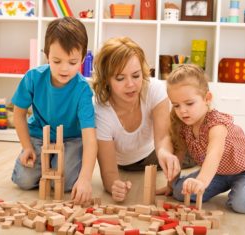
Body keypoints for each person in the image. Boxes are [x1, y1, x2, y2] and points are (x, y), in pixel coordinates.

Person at [11, 17, 97, 204]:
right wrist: (26, 146)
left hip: (72, 139)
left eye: (73, 62)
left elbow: (90, 138)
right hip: (38, 135)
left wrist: (85, 179)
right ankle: (44, 162)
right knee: (24, 180)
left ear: (83, 58)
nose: (64, 68)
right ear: (46, 55)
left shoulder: (83, 90)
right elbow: (18, 114)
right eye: (57, 61)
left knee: (66, 184)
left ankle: (53, 163)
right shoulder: (33, 78)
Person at [92, 37, 177, 202]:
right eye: (120, 78)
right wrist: (114, 185)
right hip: (125, 165)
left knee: (195, 148)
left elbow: (163, 138)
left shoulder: (154, 89)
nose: (131, 84)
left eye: (136, 75)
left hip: (155, 153)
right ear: (106, 80)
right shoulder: (99, 110)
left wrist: (166, 153)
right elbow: (109, 172)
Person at [164, 64, 245, 213]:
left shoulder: (216, 124)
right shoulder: (183, 125)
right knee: (179, 192)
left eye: (189, 103)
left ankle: (243, 188)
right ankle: (232, 186)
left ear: (207, 98)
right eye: (176, 105)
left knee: (242, 204)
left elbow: (214, 154)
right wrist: (171, 184)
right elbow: (179, 154)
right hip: (219, 173)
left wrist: (201, 181)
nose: (182, 111)